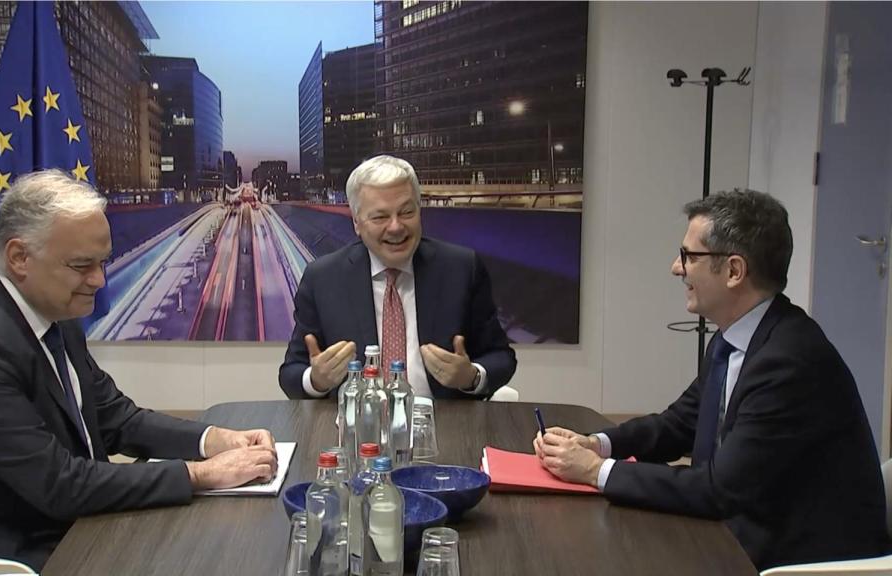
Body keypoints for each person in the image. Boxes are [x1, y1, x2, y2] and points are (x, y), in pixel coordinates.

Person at [0, 170, 278, 571]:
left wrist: (214, 440)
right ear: (19, 258)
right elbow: (59, 486)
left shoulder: (52, 311)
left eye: (102, 262)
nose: (99, 280)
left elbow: (116, 418)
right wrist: (203, 475)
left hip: (51, 513)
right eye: (82, 265)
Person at [534, 190, 889, 569]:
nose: (676, 267)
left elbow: (720, 491)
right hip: (743, 528)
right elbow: (680, 423)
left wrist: (594, 472)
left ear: (734, 271)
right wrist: (598, 444)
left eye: (689, 256)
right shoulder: (735, 337)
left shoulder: (789, 361)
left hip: (793, 557)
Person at [279, 155, 516, 400]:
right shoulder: (323, 278)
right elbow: (291, 373)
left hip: (443, 425)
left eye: (406, 212)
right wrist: (316, 380)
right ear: (357, 223)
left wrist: (471, 377)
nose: (396, 227)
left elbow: (501, 357)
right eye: (380, 217)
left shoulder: (462, 269)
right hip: (359, 429)